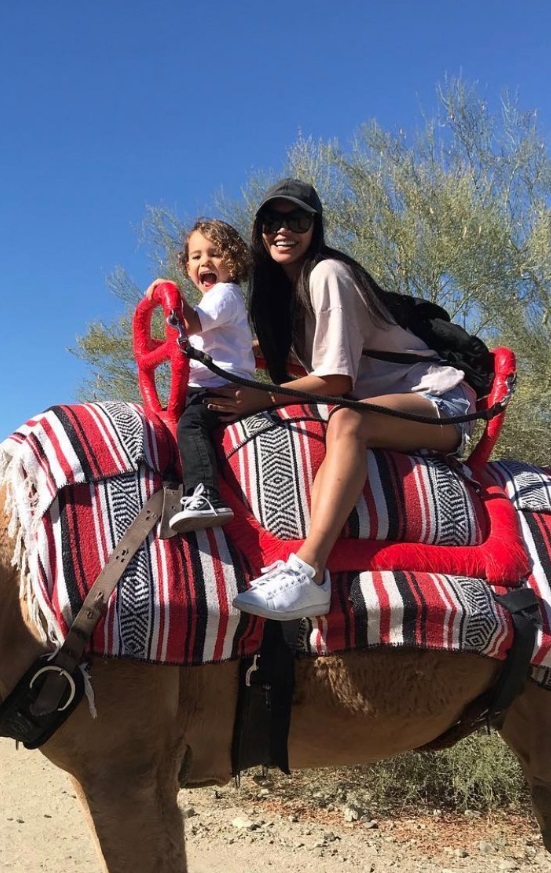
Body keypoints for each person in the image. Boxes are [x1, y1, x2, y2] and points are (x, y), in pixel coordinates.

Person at [206, 178, 477, 621]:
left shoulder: (327, 273)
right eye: (272, 220)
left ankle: (310, 571)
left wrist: (258, 397)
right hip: (393, 403)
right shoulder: (287, 298)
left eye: (297, 219)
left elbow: (333, 380)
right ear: (259, 230)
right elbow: (270, 356)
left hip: (439, 400)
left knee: (347, 421)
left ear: (316, 227)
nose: (283, 230)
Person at [145, 218, 255, 533]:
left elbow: (190, 324)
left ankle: (206, 495)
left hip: (222, 385)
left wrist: (171, 292)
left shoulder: (225, 293)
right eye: (195, 256)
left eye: (215, 253)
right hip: (203, 385)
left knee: (192, 426)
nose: (204, 261)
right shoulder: (212, 299)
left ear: (233, 262)